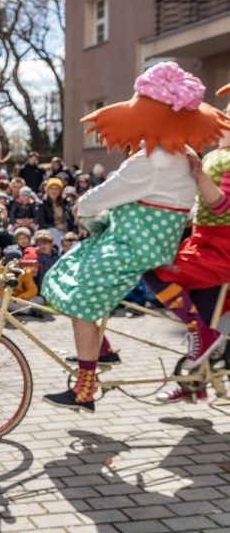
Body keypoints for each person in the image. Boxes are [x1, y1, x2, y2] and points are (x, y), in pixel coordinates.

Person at [41, 62, 229, 413]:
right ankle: (101, 349)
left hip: (134, 245)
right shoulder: (186, 155)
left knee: (80, 296)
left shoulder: (150, 161)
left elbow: (102, 196)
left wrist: (81, 208)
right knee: (75, 270)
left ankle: (85, 388)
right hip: (146, 243)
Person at [145, 85, 230, 400]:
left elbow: (222, 205)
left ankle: (202, 341)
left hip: (220, 250)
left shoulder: (225, 159)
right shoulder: (216, 155)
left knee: (153, 269)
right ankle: (194, 385)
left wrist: (200, 177)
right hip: (203, 241)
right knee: (201, 315)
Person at [36, 177, 75, 249]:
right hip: (50, 230)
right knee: (55, 232)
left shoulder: (66, 202)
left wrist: (65, 226)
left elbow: (70, 218)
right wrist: (55, 226)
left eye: (56, 189)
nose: (54, 191)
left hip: (65, 229)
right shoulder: (42, 204)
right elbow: (41, 222)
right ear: (47, 190)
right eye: (51, 189)